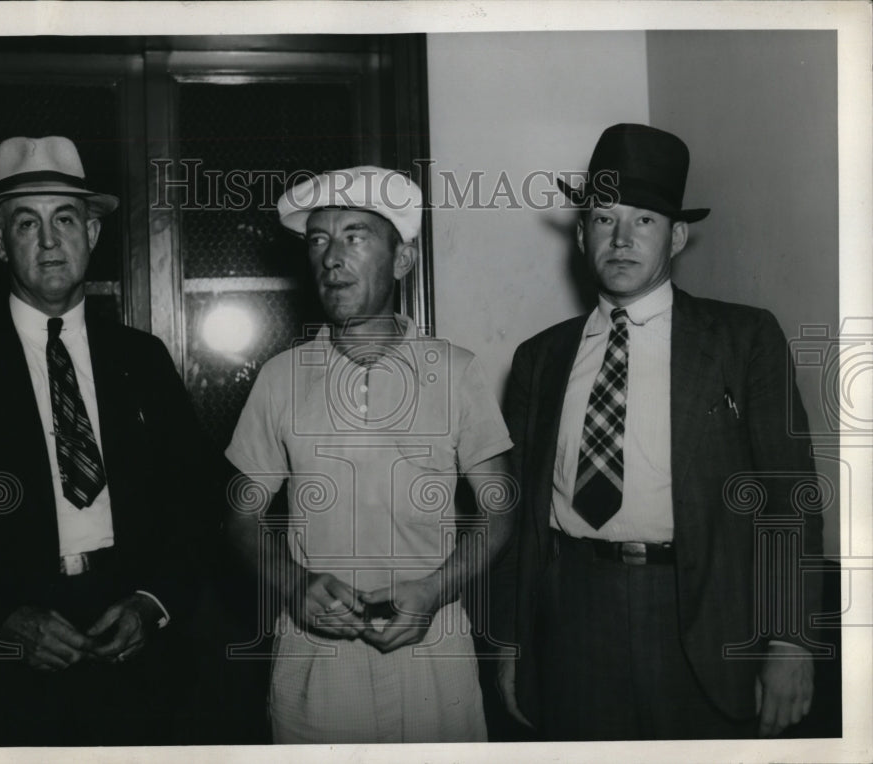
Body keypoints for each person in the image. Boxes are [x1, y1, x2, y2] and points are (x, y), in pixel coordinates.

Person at [494, 124, 824, 740]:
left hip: (701, 616)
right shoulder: (539, 359)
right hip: (571, 617)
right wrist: (512, 644)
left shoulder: (743, 339)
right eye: (603, 218)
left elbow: (789, 496)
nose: (620, 238)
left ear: (676, 236)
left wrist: (790, 639)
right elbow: (515, 515)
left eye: (643, 220)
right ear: (580, 233)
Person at [0, 136, 204, 746]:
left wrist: (151, 602)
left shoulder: (141, 360)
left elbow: (194, 499)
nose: (48, 241)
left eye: (65, 219)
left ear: (92, 233)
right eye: (25, 222)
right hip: (5, 661)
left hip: (133, 644)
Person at [224, 166, 515, 743]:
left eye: (355, 236)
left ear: (402, 261)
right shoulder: (281, 378)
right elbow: (239, 516)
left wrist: (432, 592)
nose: (332, 257)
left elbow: (500, 511)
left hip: (434, 649)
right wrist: (292, 585)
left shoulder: (457, 371)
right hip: (318, 660)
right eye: (318, 239)